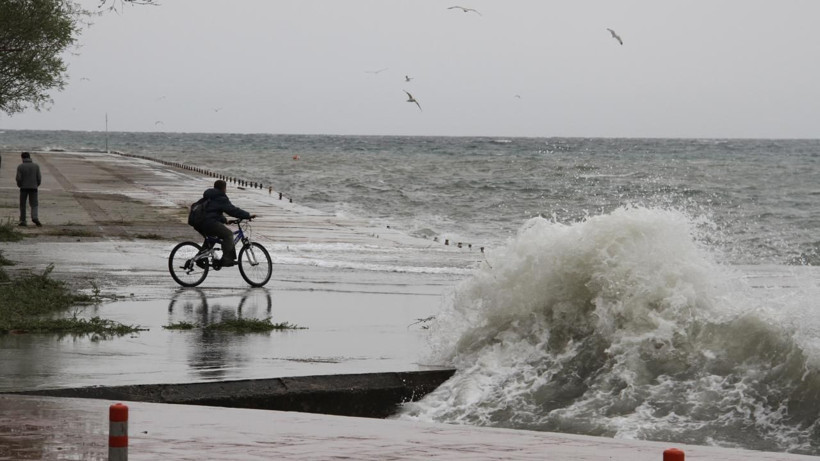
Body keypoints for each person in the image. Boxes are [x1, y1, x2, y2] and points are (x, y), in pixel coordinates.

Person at [194, 179, 256, 267]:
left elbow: (212, 212)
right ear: (223, 188)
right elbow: (232, 210)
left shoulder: (210, 196)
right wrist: (247, 215)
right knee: (228, 235)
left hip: (199, 222)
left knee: (212, 238)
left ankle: (199, 258)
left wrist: (225, 220)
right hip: (209, 223)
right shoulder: (220, 197)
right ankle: (227, 260)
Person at [16, 152, 42, 227]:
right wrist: (36, 185)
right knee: (34, 204)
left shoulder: (20, 166)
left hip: (23, 188)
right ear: (29, 157)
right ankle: (35, 217)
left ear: (22, 158)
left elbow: (18, 178)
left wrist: (19, 185)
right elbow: (39, 178)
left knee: (22, 205)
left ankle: (23, 220)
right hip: (33, 187)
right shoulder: (36, 166)